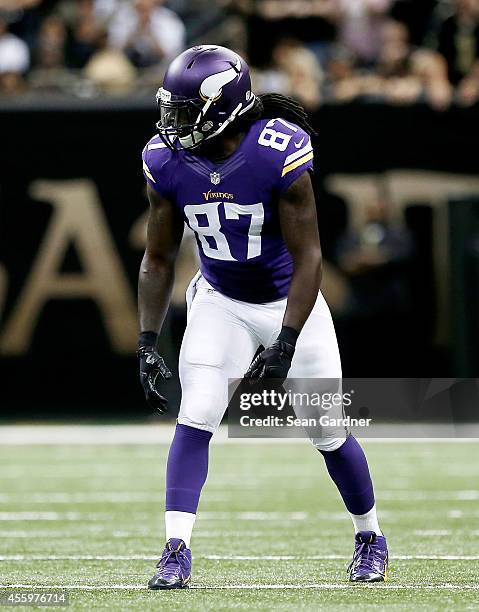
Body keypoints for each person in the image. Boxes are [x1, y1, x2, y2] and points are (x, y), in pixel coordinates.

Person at [137, 45, 388, 590]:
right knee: (198, 412)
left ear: (221, 107)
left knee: (326, 429)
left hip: (287, 300)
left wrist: (287, 342)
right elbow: (157, 258)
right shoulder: (164, 158)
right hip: (221, 300)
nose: (171, 122)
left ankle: (370, 536)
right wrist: (146, 341)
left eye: (185, 109)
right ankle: (175, 548)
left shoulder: (277, 151)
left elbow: (310, 258)